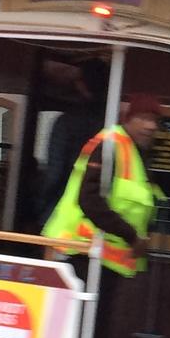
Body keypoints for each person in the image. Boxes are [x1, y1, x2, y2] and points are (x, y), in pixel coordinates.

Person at [42, 92, 166, 338]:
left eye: (155, 121)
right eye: (144, 118)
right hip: (84, 253)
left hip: (104, 259)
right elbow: (90, 200)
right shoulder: (111, 146)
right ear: (128, 118)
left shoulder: (133, 153)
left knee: (93, 333)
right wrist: (132, 236)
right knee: (87, 333)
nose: (150, 126)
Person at [35, 57, 110, 228]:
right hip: (97, 215)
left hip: (61, 211)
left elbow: (53, 175)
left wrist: (39, 206)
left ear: (81, 85)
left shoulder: (65, 124)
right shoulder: (112, 125)